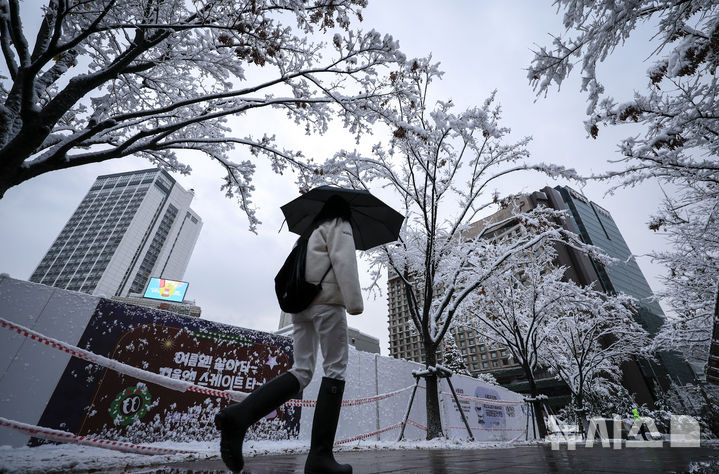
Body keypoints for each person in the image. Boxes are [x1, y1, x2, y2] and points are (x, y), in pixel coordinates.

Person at [215, 195, 363, 474]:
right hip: (328, 306)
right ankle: (320, 456)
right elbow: (345, 262)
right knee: (335, 370)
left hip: (301, 307)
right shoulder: (339, 225)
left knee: (302, 371)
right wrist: (355, 304)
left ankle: (239, 415)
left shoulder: (309, 234)